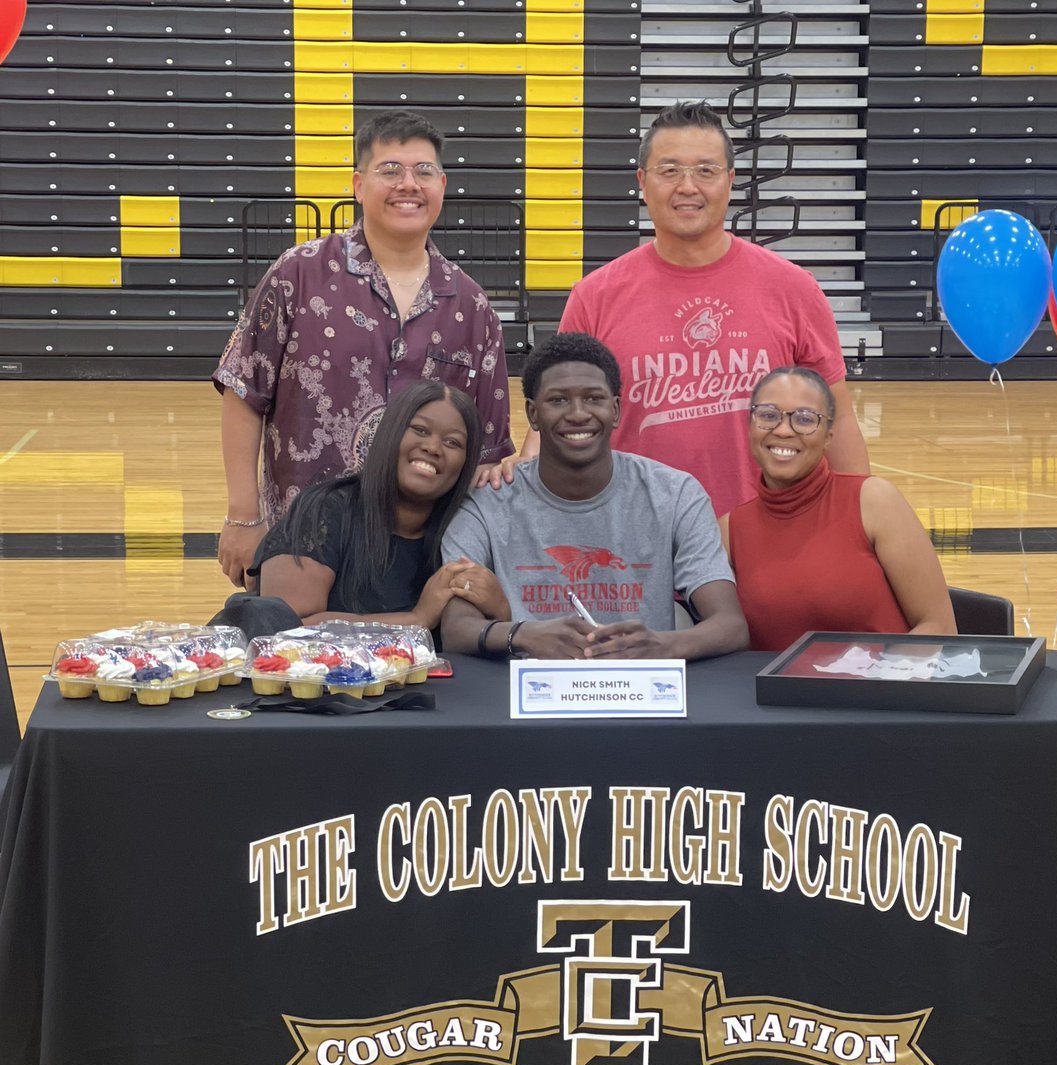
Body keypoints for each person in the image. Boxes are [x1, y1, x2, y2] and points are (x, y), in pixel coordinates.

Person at [491, 100, 867, 518]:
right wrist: (527, 466)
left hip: (767, 536)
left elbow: (840, 419)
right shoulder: (595, 296)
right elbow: (557, 411)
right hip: (635, 538)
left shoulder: (794, 288)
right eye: (669, 171)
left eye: (705, 171)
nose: (688, 186)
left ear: (730, 181)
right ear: (643, 181)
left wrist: (858, 521)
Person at [214, 109, 514, 587]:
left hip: (418, 564)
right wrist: (243, 517)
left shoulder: (472, 306)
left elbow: (487, 454)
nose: (408, 184)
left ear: (443, 184)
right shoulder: (298, 274)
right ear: (358, 185)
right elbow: (244, 393)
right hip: (300, 549)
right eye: (390, 170)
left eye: (424, 171)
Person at [440, 333, 748, 661]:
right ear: (532, 414)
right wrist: (522, 634)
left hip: (643, 698)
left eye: (593, 399)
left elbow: (730, 625)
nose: (577, 413)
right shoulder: (487, 504)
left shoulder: (675, 495)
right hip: (525, 698)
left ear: (615, 410)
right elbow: (456, 629)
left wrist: (662, 646)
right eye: (558, 400)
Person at [721, 367, 955, 651]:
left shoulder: (874, 502)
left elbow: (938, 627)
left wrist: (876, 687)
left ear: (828, 436)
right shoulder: (729, 531)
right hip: (776, 696)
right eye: (768, 415)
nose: (783, 430)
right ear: (750, 427)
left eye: (805, 419)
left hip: (886, 689)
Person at [252, 381, 509, 631]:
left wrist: (500, 607)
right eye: (419, 430)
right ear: (389, 434)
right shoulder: (323, 512)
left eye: (452, 442)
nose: (432, 447)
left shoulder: (465, 530)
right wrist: (417, 619)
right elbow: (286, 631)